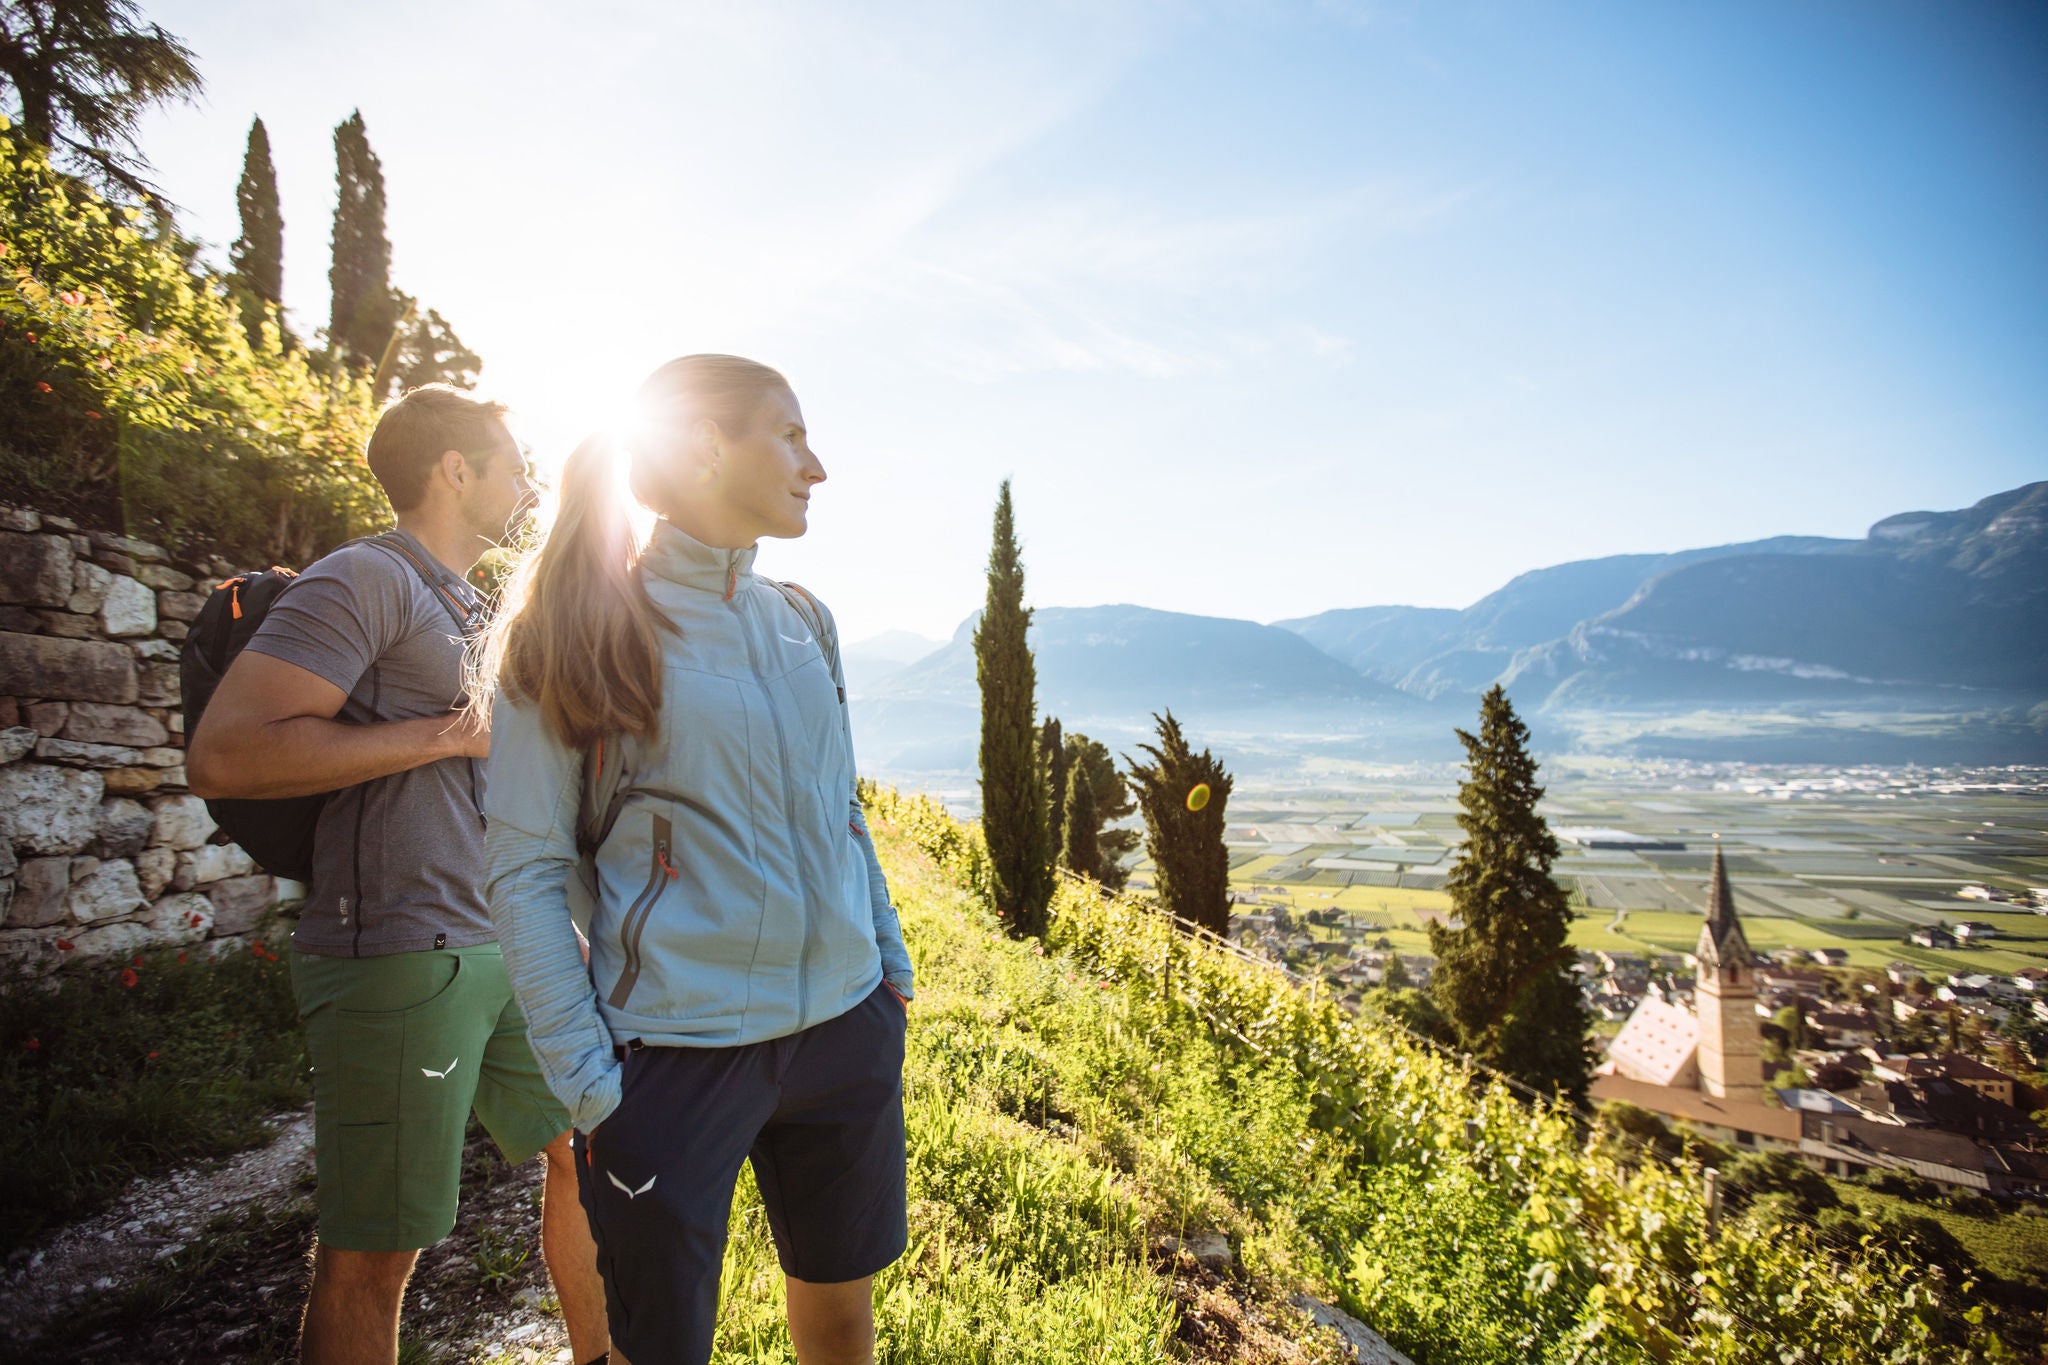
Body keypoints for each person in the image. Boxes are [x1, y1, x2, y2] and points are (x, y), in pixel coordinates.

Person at [474, 354, 914, 1365]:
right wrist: (589, 1082)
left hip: (843, 1031)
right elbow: (527, 870)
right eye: (790, 434)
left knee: (843, 1324)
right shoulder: (579, 628)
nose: (817, 465)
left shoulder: (804, 620)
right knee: (657, 1348)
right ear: (707, 446)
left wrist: (884, 970)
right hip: (675, 1056)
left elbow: (838, 808)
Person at [186, 385, 609, 1365]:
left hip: (500, 939)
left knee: (593, 1153)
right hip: (397, 951)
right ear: (453, 472)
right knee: (376, 1251)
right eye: (509, 463)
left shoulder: (467, 601)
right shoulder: (361, 580)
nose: (526, 483)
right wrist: (449, 733)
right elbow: (228, 753)